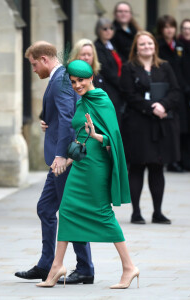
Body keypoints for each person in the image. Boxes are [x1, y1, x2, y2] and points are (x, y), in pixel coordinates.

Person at [36, 59, 139, 289]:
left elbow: (113, 140)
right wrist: (66, 157)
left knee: (102, 213)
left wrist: (95, 135)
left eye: (81, 80)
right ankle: (57, 266)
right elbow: (78, 136)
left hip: (96, 167)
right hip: (81, 165)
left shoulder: (101, 99)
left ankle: (129, 267)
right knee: (69, 209)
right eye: (73, 82)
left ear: (91, 78)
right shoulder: (82, 102)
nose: (77, 85)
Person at [15, 41, 95, 285]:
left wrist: (62, 156)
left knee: (70, 211)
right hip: (59, 158)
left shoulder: (60, 79)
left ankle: (85, 268)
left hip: (63, 160)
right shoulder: (60, 78)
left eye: (33, 64)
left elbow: (67, 117)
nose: (34, 69)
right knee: (46, 209)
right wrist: (46, 123)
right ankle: (46, 264)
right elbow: (62, 116)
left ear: (44, 59)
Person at [120, 31, 180, 225]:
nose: (147, 47)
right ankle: (136, 212)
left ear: (155, 46)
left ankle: (158, 212)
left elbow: (175, 91)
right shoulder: (129, 67)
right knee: (137, 167)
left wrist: (163, 105)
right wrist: (151, 108)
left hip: (161, 124)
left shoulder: (164, 66)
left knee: (157, 167)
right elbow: (128, 94)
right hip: (138, 125)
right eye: (142, 44)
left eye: (150, 43)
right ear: (136, 48)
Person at [156, 15, 187, 172]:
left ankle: (178, 159)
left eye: (172, 26)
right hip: (164, 90)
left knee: (180, 126)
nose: (169, 30)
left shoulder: (180, 46)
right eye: (166, 27)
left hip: (179, 90)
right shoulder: (159, 46)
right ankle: (167, 159)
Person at [95, 17, 124, 123]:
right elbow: (106, 70)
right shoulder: (97, 47)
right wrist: (121, 84)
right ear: (98, 30)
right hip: (108, 88)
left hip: (117, 87)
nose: (109, 31)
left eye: (111, 28)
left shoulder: (112, 46)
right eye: (105, 29)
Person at [178, 19, 190, 171]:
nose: (187, 31)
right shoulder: (178, 47)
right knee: (184, 129)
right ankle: (184, 161)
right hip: (183, 93)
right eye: (185, 28)